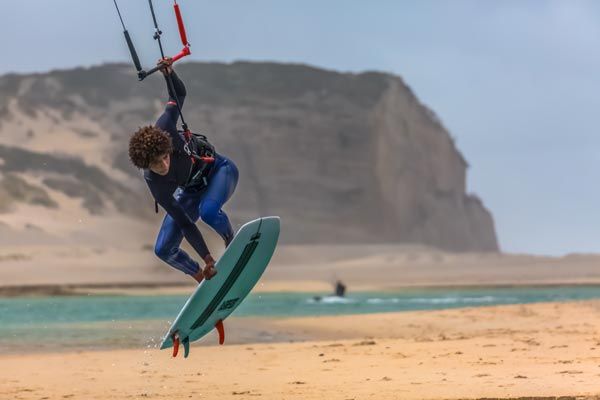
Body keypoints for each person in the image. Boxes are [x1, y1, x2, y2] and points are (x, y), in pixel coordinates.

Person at [128, 58, 239, 284]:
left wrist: (169, 74)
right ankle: (202, 278)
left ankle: (232, 241)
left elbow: (178, 95)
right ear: (145, 166)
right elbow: (185, 223)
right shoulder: (156, 185)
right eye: (156, 164)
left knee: (207, 211)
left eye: (165, 157)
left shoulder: (165, 128)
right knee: (163, 249)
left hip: (219, 171)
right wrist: (207, 259)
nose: (164, 165)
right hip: (191, 191)